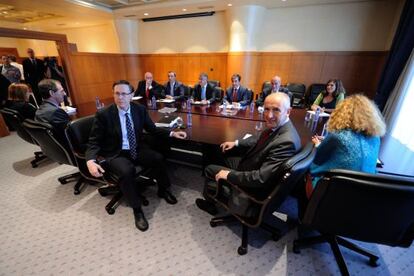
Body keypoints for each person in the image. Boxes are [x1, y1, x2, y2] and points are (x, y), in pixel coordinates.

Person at [86, 80, 187, 232]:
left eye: (124, 94)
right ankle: (137, 209)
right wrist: (90, 160)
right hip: (116, 152)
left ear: (131, 95)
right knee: (127, 171)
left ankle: (163, 189)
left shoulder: (139, 109)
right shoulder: (104, 114)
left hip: (136, 147)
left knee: (157, 158)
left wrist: (172, 133)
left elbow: (152, 129)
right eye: (117, 93)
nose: (120, 97)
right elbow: (93, 141)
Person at [196, 92, 301, 215]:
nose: (269, 115)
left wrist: (228, 175)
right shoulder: (281, 126)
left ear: (288, 111)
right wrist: (236, 143)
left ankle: (211, 202)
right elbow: (258, 137)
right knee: (219, 150)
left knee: (209, 168)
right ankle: (217, 190)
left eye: (276, 110)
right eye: (266, 109)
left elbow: (261, 178)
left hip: (253, 181)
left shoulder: (286, 141)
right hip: (251, 164)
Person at [306, 94, 386, 198]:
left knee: (303, 170)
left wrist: (317, 145)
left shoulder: (338, 137)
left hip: (333, 194)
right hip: (364, 194)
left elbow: (317, 161)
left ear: (342, 113)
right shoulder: (375, 139)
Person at [35, 79, 70, 148]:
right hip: (67, 147)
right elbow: (71, 134)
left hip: (53, 148)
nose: (65, 94)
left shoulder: (39, 110)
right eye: (62, 91)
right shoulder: (56, 112)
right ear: (51, 93)